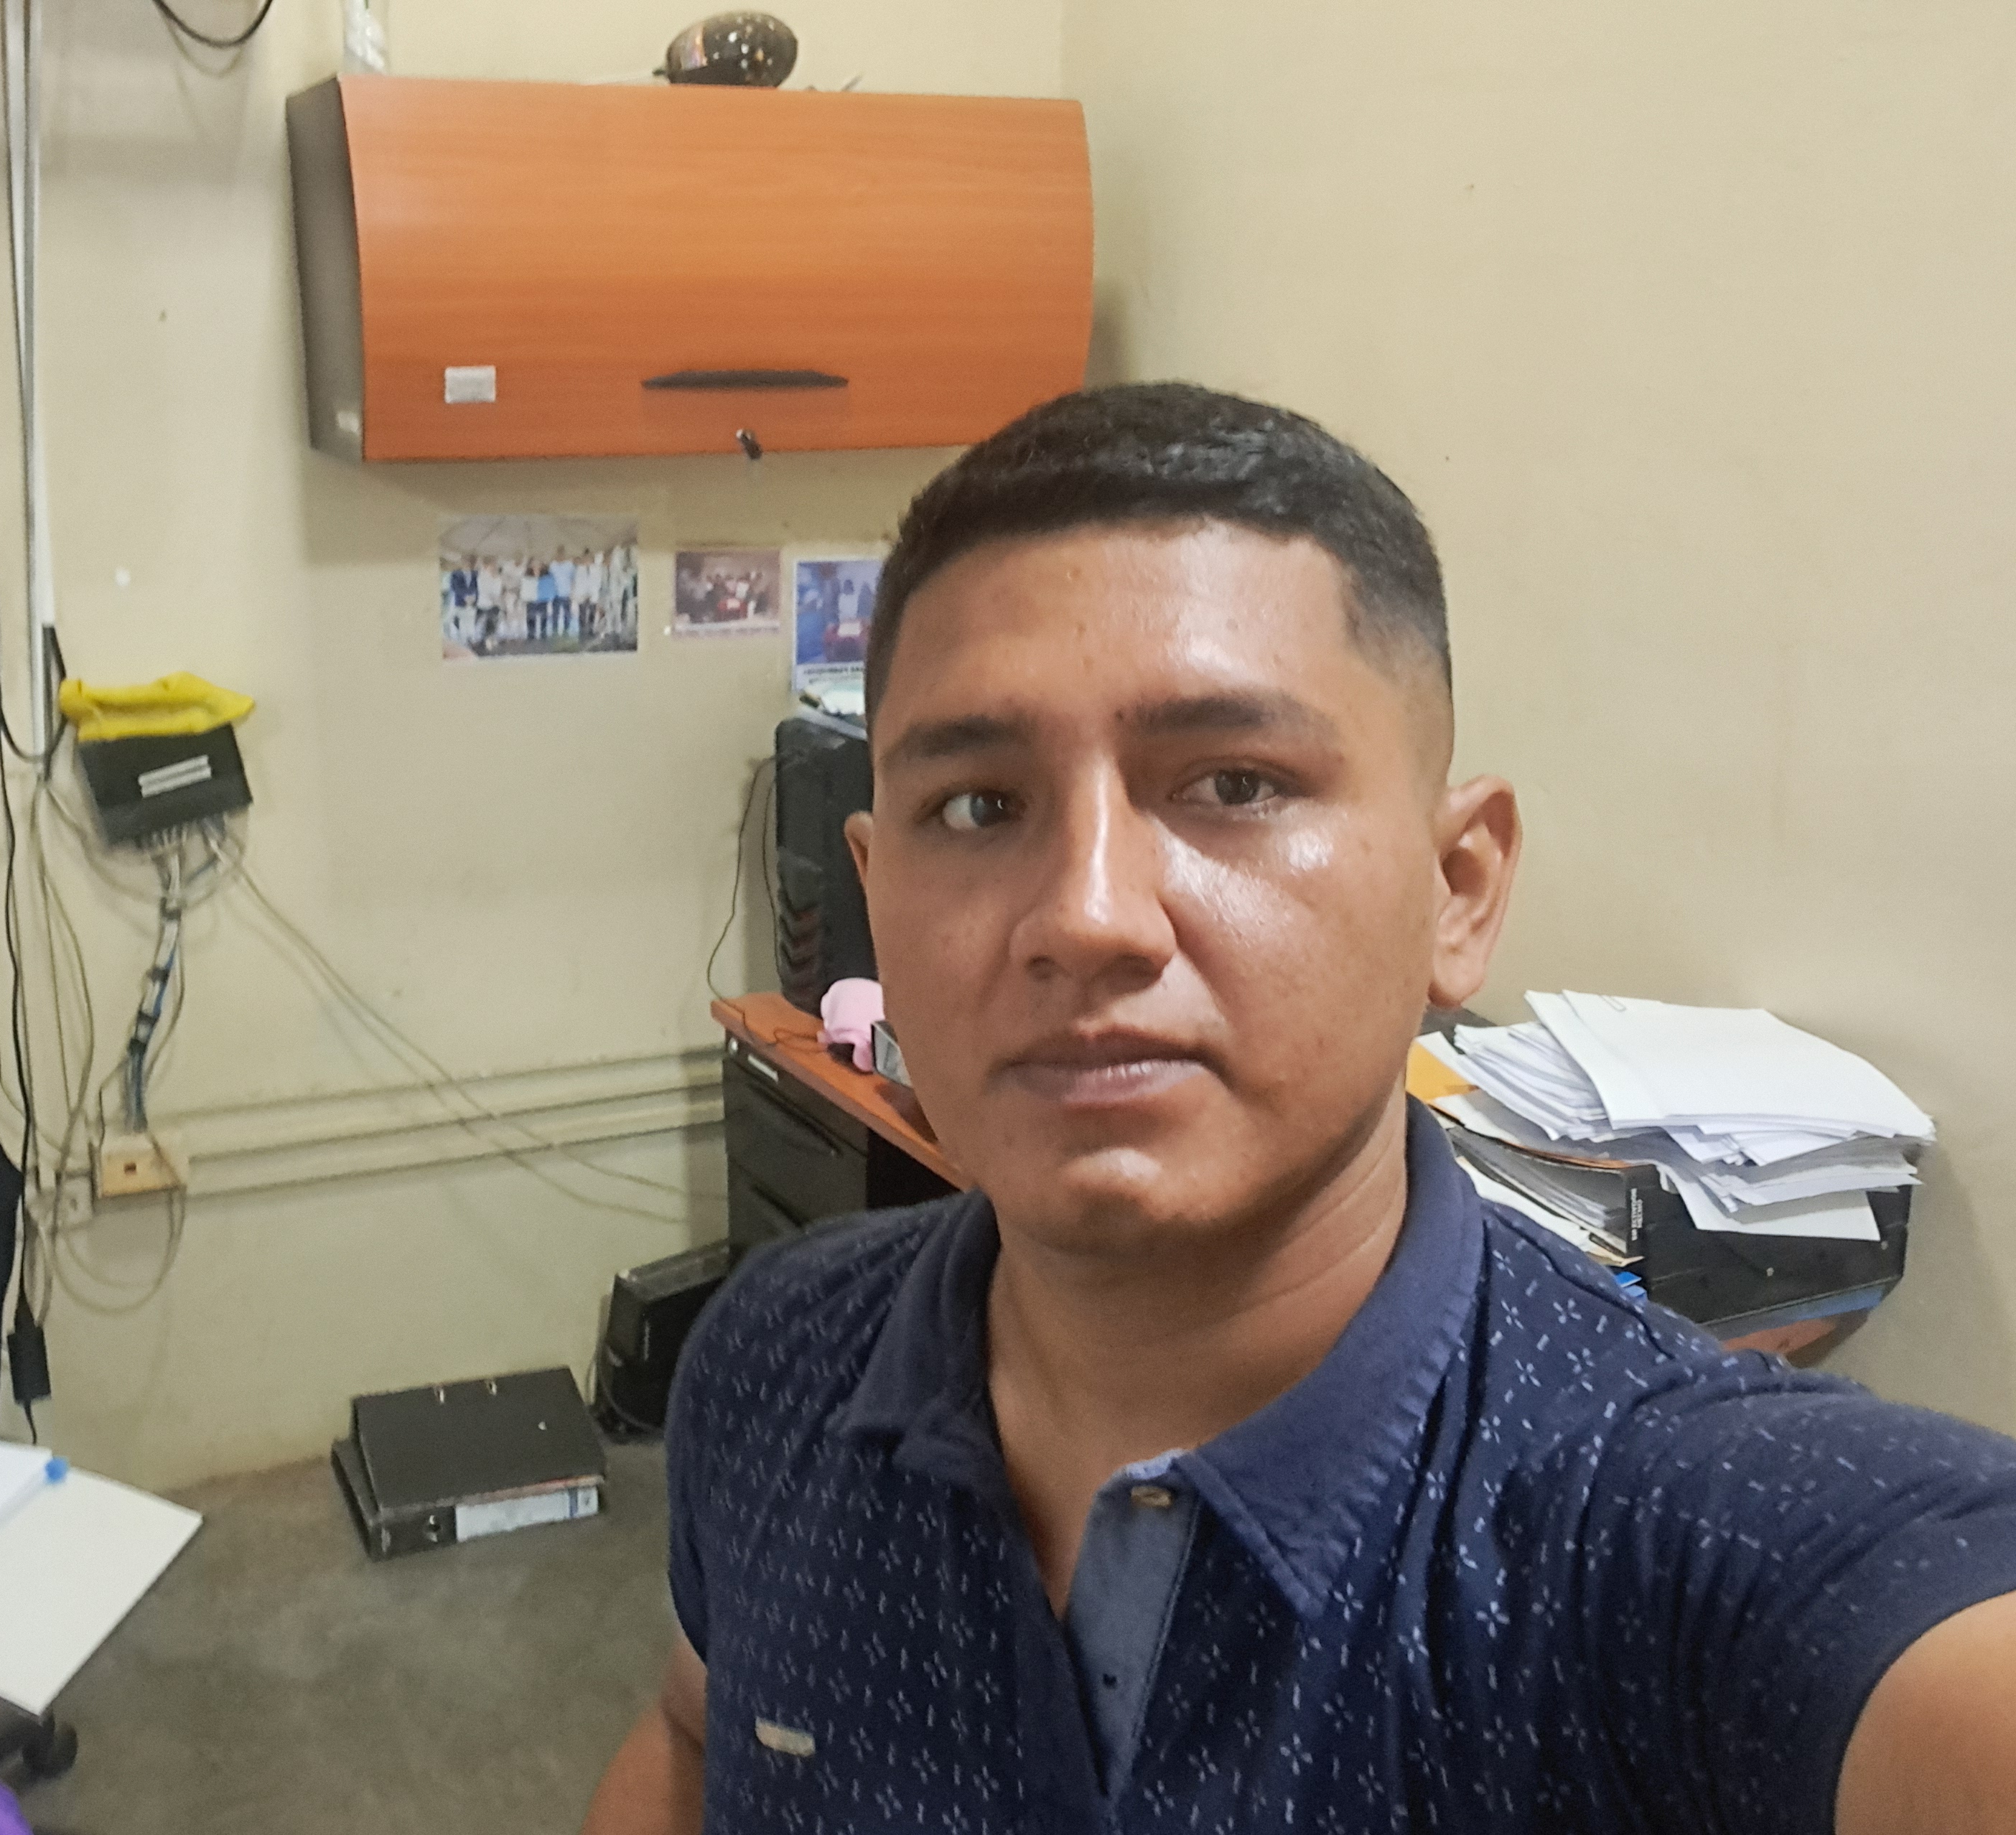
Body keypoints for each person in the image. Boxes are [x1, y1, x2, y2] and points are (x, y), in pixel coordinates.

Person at [583, 383, 2016, 1835]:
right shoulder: (776, 1356)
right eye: (978, 806)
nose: (1085, 917)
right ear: (875, 890)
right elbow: (698, 1737)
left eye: (1234, 782)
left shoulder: (1664, 1531)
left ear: (1457, 891)